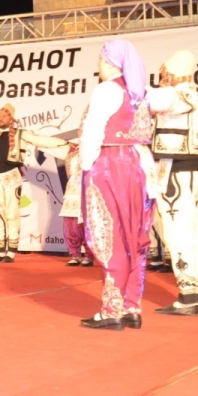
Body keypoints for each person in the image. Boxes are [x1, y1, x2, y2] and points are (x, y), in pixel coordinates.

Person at [78, 39, 155, 330]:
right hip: (139, 165)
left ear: (111, 62)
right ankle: (131, 306)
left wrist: (86, 167)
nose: (97, 65)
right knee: (136, 235)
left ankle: (112, 310)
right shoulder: (140, 92)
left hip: (111, 164)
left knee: (111, 235)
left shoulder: (107, 89)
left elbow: (93, 131)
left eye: (100, 59)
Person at [145, 50, 198, 317]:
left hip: (176, 173)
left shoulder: (174, 96)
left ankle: (188, 296)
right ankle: (194, 295)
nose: (161, 78)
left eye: (164, 74)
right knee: (195, 235)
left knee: (177, 235)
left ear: (171, 75)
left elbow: (147, 100)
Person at [0, 104, 70, 263]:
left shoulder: (20, 134)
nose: (1, 118)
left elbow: (40, 140)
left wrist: (64, 143)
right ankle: (0, 251)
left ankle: (11, 251)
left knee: (11, 215)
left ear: (11, 118)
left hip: (10, 179)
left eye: (4, 116)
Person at [57, 142, 94, 267]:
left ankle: (89, 255)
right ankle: (75, 254)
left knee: (88, 223)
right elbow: (50, 147)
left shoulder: (96, 149)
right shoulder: (72, 150)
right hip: (72, 191)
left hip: (88, 189)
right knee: (71, 223)